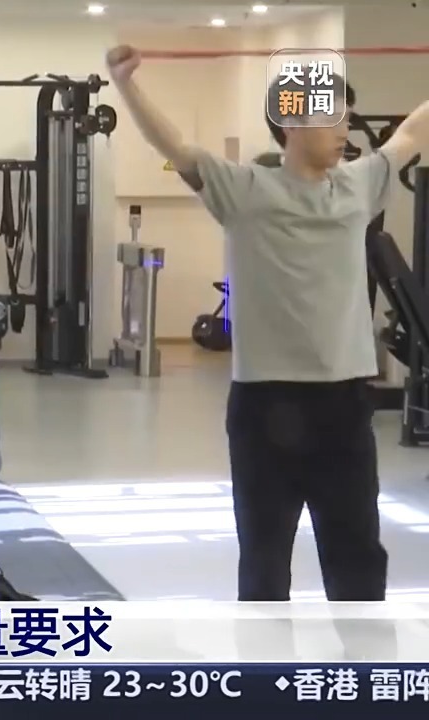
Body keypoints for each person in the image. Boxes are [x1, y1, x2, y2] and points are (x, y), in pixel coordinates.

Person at [106, 45, 429, 601]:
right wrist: (125, 84)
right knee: (263, 567)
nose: (344, 128)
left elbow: (412, 133)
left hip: (343, 407)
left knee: (357, 564)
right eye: (333, 116)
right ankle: (265, 659)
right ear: (293, 123)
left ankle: (361, 659)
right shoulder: (244, 191)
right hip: (264, 409)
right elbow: (174, 145)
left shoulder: (359, 184)